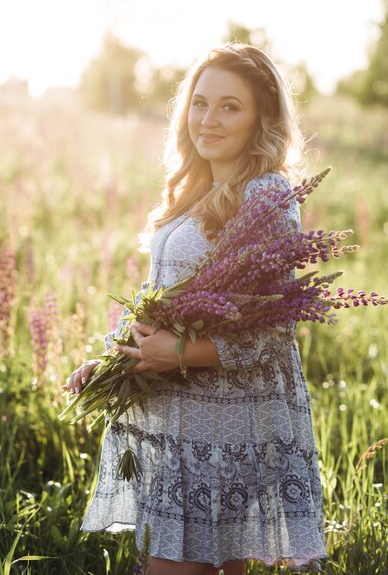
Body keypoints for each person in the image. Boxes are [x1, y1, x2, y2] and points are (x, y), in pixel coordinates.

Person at [63, 43, 327, 574]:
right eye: (200, 102)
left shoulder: (266, 196)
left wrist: (178, 352)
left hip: (224, 431)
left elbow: (273, 334)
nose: (208, 119)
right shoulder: (196, 185)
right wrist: (115, 358)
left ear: (261, 118)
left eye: (230, 106)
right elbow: (157, 294)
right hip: (180, 425)